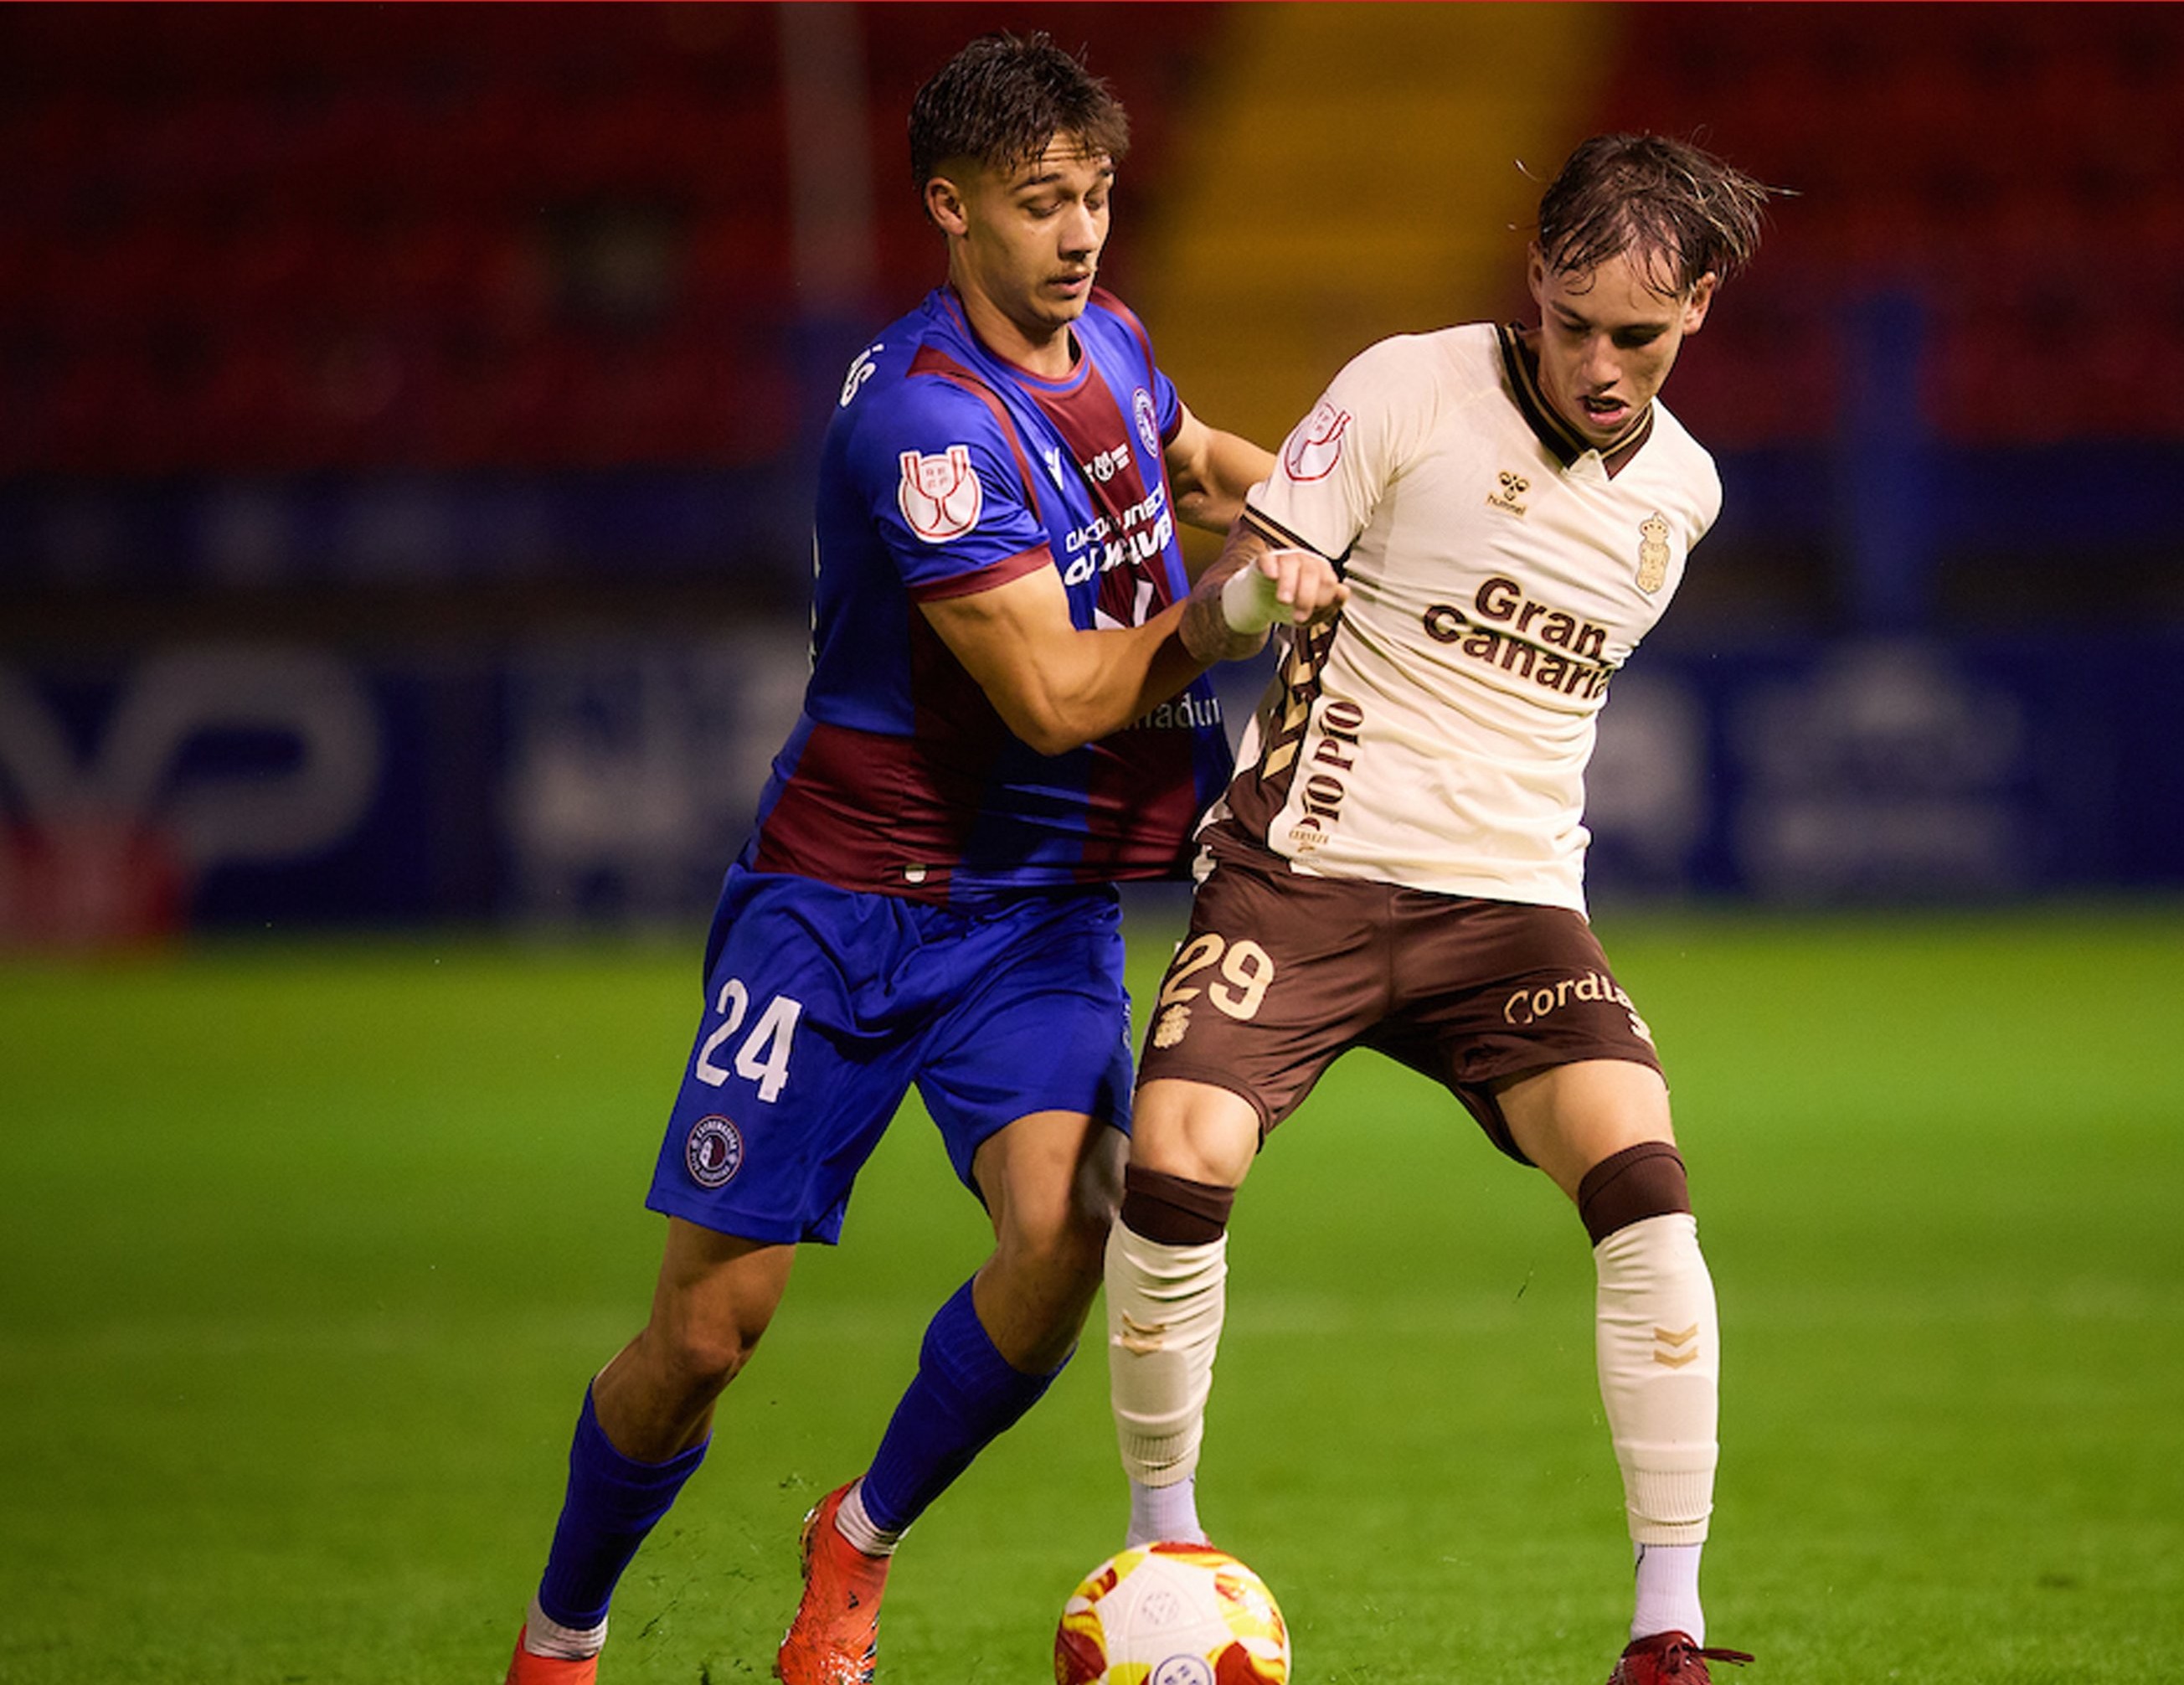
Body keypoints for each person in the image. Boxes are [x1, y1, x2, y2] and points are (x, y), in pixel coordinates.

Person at [501, 33, 1342, 1685]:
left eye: (1095, 195)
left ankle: (858, 1543)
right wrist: (1238, 606)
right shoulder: (923, 432)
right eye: (1043, 204)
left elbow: (1194, 454)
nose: (1081, 232)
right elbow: (1056, 697)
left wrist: (1331, 506)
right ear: (951, 208)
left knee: (1068, 1229)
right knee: (704, 1334)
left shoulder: (1106, 338)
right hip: (834, 915)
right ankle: (562, 1632)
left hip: (1030, 920)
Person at [1100, 133, 1774, 1685]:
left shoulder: (1682, 495)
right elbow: (1243, 585)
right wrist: (1266, 592)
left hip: (1514, 910)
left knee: (1646, 1187)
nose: (1601, 365)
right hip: (1308, 872)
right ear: (1532, 280)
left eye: (1640, 337)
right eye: (1577, 323)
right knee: (1180, 1159)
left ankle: (1666, 1627)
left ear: (1701, 313)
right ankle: (1165, 1546)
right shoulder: (1407, 384)